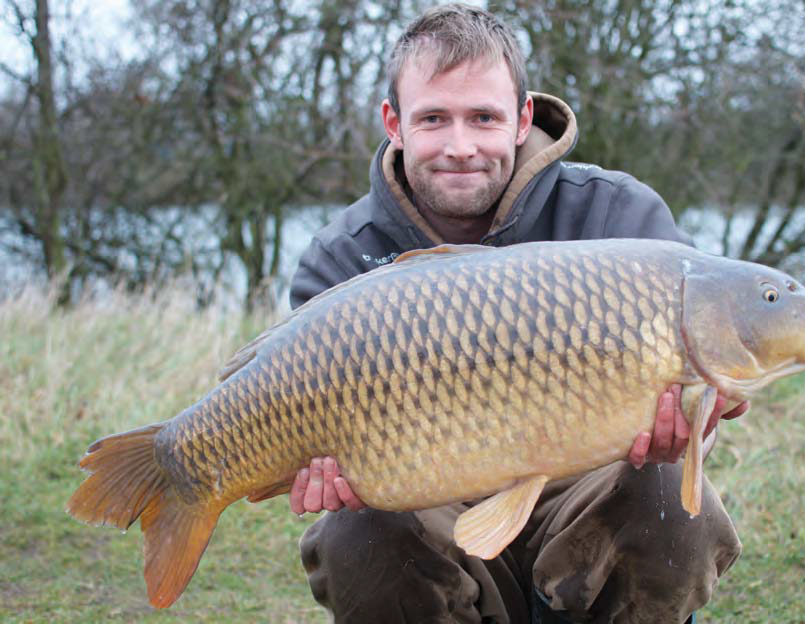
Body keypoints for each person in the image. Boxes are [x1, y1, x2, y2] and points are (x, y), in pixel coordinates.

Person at [287, 5, 746, 623]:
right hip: (432, 501)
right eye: (433, 119)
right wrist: (325, 476)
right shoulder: (342, 259)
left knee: (670, 499)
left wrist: (698, 428)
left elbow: (697, 407)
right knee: (357, 529)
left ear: (524, 116)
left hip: (587, 489)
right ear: (394, 123)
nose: (460, 146)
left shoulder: (619, 220)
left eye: (484, 117)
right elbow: (314, 455)